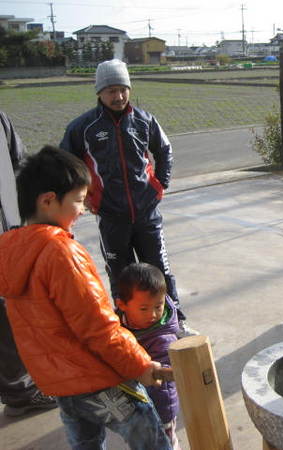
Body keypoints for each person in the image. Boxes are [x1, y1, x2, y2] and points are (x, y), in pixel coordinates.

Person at [0, 146, 173, 449]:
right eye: (79, 200)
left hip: (60, 385)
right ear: (48, 200)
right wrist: (141, 366)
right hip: (99, 381)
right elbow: (98, 326)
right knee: (153, 441)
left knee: (86, 444)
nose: (84, 209)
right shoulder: (62, 253)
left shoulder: (9, 251)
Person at [60, 59, 196, 337]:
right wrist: (83, 197)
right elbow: (65, 164)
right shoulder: (83, 127)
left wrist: (160, 184)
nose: (118, 96)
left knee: (159, 270)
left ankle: (176, 323)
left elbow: (164, 150)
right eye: (111, 90)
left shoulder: (145, 120)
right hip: (111, 217)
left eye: (123, 89)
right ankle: (126, 329)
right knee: (120, 276)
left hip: (147, 213)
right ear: (99, 93)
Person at [0, 111, 57, 417]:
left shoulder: (1, 119)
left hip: (7, 234)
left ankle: (21, 390)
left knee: (10, 313)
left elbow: (21, 164)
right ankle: (19, 391)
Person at [117, 263, 181, 450]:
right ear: (122, 305)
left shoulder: (163, 339)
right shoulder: (119, 323)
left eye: (158, 306)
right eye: (144, 309)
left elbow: (162, 384)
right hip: (136, 403)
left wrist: (161, 414)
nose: (153, 314)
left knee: (165, 442)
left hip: (160, 407)